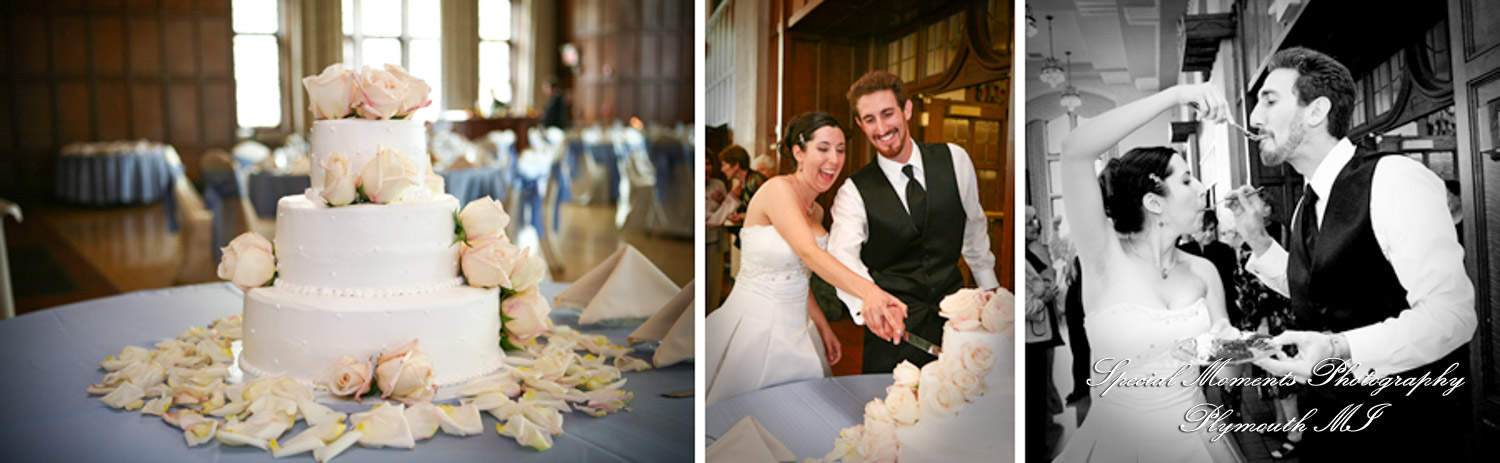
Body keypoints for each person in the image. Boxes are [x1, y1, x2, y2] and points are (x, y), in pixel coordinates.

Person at [1229, 47, 1475, 461]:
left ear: (1316, 111)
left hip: (1404, 431)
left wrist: (1339, 348)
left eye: (1269, 101)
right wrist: (1257, 240)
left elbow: (1452, 316)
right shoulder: (1308, 204)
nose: (1254, 117)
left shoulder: (1393, 179)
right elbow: (1320, 293)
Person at [1051, 82, 1245, 463]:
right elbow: (1074, 151)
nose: (1202, 188)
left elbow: (1226, 374)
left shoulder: (1204, 271)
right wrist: (1176, 95)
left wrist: (1236, 346)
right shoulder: (1102, 256)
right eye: (1187, 180)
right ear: (1154, 202)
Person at [705, 112, 907, 406]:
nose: (834, 160)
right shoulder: (778, 190)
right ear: (798, 152)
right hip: (754, 326)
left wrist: (823, 326)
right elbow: (809, 253)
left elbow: (800, 275)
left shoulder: (818, 212)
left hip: (799, 330)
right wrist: (870, 292)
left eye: (840, 150)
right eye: (823, 149)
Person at [828, 71, 999, 373]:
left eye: (887, 114)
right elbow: (842, 258)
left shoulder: (955, 159)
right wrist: (868, 306)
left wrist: (991, 292)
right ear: (860, 124)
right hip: (892, 333)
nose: (881, 128)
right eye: (869, 119)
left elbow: (974, 227)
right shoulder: (853, 191)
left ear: (906, 110)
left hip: (957, 327)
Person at [1024, 206, 1066, 460]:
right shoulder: (1024, 256)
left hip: (1043, 333)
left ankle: (1044, 433)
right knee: (1035, 397)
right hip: (1034, 336)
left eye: (1035, 221)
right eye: (1029, 222)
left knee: (1041, 390)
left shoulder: (1033, 252)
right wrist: (1046, 296)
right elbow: (1028, 305)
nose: (1035, 225)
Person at [719, 145, 768, 249]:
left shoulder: (756, 180)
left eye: (724, 165)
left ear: (736, 165)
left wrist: (743, 216)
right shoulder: (742, 184)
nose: (722, 170)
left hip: (760, 240)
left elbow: (768, 211)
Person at [705, 148, 735, 313]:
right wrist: (731, 200)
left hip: (714, 243)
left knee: (713, 286)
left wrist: (724, 201)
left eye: (708, 163)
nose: (705, 168)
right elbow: (708, 221)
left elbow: (726, 214)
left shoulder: (718, 185)